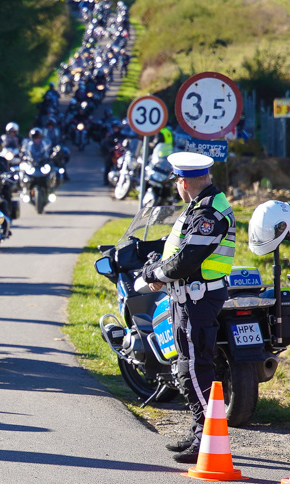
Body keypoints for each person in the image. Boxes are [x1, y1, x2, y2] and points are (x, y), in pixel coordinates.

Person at [141, 152, 236, 464]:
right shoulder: (201, 207)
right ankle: (199, 430)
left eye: (177, 181)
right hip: (189, 296)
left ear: (183, 181)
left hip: (198, 298)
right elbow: (179, 250)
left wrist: (155, 274)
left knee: (193, 368)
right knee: (190, 364)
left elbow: (187, 259)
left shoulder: (210, 213)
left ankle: (206, 437)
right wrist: (157, 265)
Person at [100, 121, 124, 185]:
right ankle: (106, 181)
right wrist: (111, 148)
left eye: (117, 128)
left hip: (121, 153)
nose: (115, 129)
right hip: (112, 153)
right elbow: (106, 144)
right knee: (108, 163)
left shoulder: (122, 136)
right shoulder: (110, 136)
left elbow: (126, 143)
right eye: (114, 128)